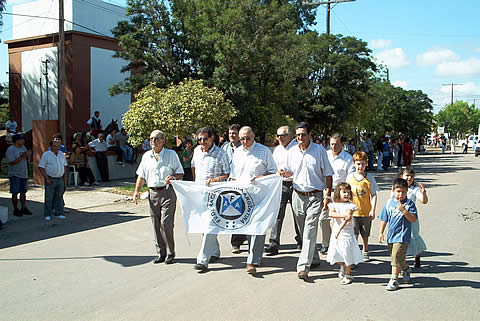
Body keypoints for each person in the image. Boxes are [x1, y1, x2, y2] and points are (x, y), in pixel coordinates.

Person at [281, 122, 333, 280]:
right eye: (297, 135)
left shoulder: (319, 150)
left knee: (310, 231)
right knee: (304, 232)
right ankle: (314, 258)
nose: (300, 138)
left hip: (315, 196)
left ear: (310, 134)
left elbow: (328, 174)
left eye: (303, 134)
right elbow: (290, 171)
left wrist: (327, 195)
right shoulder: (291, 152)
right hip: (297, 194)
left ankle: (303, 266)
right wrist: (283, 173)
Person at [230, 126, 277, 275]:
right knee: (247, 226)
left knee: (257, 226)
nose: (245, 141)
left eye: (247, 138)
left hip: (259, 196)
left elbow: (273, 172)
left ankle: (253, 260)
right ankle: (254, 253)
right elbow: (233, 174)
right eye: (242, 139)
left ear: (254, 136)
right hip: (242, 196)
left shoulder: (264, 151)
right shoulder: (237, 152)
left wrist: (259, 179)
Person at [134, 130, 184, 265]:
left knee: (165, 224)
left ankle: (170, 252)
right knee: (156, 224)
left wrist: (173, 177)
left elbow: (180, 172)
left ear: (163, 140)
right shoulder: (146, 156)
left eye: (156, 139)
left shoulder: (171, 154)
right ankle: (161, 253)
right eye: (151, 139)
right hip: (152, 193)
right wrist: (136, 191)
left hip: (167, 192)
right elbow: (141, 175)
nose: (153, 142)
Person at [192, 127, 230, 271]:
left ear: (212, 138)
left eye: (205, 139)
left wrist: (215, 180)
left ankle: (202, 260)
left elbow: (227, 174)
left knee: (209, 224)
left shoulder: (221, 154)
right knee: (204, 226)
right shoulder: (196, 151)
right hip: (200, 194)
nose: (202, 142)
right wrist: (195, 182)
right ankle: (214, 251)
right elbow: (193, 166)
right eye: (199, 139)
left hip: (215, 195)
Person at [264, 126, 302, 256]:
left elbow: (301, 167)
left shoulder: (297, 148)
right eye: (278, 135)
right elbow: (273, 167)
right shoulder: (277, 150)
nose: (279, 138)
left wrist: (291, 172)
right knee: (277, 215)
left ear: (290, 136)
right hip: (281, 184)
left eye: (282, 135)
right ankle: (273, 243)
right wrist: (277, 172)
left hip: (296, 184)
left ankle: (301, 240)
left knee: (298, 214)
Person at [379, 178, 418, 291]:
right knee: (397, 259)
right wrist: (381, 232)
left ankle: (394, 280)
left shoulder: (409, 204)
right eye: (398, 191)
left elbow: (414, 219)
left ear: (407, 192)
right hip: (391, 236)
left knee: (396, 257)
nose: (401, 194)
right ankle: (406, 269)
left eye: (403, 192)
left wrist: (404, 211)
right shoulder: (389, 203)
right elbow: (384, 218)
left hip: (402, 236)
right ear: (393, 190)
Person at [320, 133, 355, 255]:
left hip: (340, 192)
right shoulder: (325, 155)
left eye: (336, 144)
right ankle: (326, 244)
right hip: (326, 190)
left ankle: (340, 243)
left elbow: (350, 176)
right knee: (324, 218)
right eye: (331, 144)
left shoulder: (348, 158)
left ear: (342, 144)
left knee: (341, 220)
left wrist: (345, 193)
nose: (333, 147)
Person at [327, 182, 363, 285]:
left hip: (346, 234)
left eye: (348, 192)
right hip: (336, 234)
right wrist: (342, 216)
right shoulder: (334, 205)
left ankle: (348, 275)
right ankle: (342, 266)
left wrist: (345, 219)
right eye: (344, 192)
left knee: (347, 254)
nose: (346, 194)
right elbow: (331, 213)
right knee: (336, 253)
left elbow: (348, 217)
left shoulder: (350, 206)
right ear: (338, 193)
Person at [347, 151, 379, 262]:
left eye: (362, 164)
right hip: (353, 212)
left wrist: (373, 210)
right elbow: (345, 193)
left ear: (366, 164)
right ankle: (355, 253)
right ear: (354, 164)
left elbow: (374, 195)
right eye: (358, 164)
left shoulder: (369, 178)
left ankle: (365, 250)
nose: (360, 166)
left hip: (365, 211)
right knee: (353, 233)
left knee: (365, 233)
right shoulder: (350, 177)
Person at [221, 124, 246, 254]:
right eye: (230, 133)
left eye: (234, 133)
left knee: (243, 211)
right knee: (233, 212)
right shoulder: (224, 148)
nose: (232, 135)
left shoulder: (245, 147)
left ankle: (241, 237)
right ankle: (236, 242)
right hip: (228, 184)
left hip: (242, 183)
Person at [397, 167, 428, 268]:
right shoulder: (397, 188)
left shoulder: (414, 189)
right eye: (407, 175)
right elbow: (391, 200)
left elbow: (423, 201)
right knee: (401, 238)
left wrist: (423, 193)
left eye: (411, 176)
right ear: (402, 176)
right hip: (399, 217)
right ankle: (402, 260)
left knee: (414, 236)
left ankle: (417, 255)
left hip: (411, 217)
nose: (409, 178)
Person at [38, 140, 68, 221]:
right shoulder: (46, 155)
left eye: (58, 146)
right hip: (50, 178)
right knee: (49, 197)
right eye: (55, 146)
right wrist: (46, 178)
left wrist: (64, 176)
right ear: (51, 146)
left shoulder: (61, 154)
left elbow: (65, 165)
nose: (56, 148)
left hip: (60, 178)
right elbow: (41, 167)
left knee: (59, 196)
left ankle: (59, 213)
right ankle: (48, 214)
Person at [6, 134, 32, 217]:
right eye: (21, 139)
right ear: (16, 141)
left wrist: (28, 157)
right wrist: (23, 156)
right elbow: (11, 162)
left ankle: (23, 208)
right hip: (15, 174)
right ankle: (16, 209)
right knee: (15, 192)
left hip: (23, 173)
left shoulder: (23, 148)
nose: (23, 141)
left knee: (23, 192)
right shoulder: (11, 150)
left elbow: (26, 159)